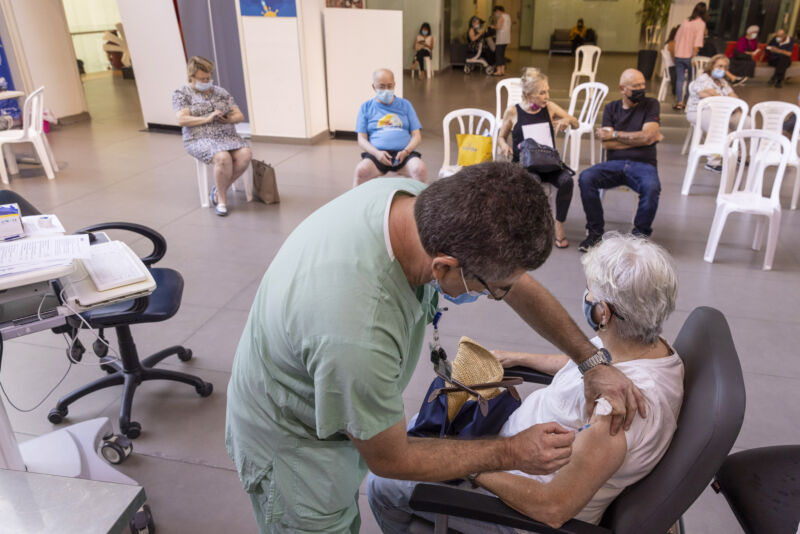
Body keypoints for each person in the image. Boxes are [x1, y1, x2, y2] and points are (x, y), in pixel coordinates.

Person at [226, 163, 649, 533]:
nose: (500, 295)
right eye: (495, 291)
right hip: (294, 445)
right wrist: (510, 452)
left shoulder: (410, 204)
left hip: (336, 391)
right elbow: (389, 459)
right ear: (444, 267)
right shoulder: (356, 335)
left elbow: (513, 279)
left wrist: (590, 361)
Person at [367, 232, 683, 532]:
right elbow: (589, 367)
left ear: (603, 312)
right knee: (420, 437)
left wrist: (468, 466)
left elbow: (553, 508)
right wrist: (519, 358)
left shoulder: (615, 415)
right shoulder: (648, 347)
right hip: (510, 451)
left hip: (517, 514)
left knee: (384, 481)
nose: (585, 296)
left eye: (590, 291)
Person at [578, 69, 663, 251]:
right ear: (623, 89)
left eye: (643, 85)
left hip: (644, 165)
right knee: (586, 178)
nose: (641, 88)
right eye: (636, 86)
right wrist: (642, 140)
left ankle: (639, 237)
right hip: (614, 164)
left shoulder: (651, 104)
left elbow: (648, 135)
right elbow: (607, 145)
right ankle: (595, 233)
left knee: (652, 187)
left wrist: (616, 134)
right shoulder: (611, 108)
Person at [497, 70, 578, 249]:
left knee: (567, 182)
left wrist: (566, 120)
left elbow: (575, 122)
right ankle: (533, 228)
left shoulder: (549, 107)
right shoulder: (513, 112)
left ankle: (558, 224)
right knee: (531, 182)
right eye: (542, 92)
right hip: (525, 165)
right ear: (528, 94)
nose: (547, 96)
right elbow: (500, 137)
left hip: (549, 162)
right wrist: (503, 145)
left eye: (547, 91)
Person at [172, 56, 251, 217]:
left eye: (208, 77)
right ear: (191, 77)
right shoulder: (182, 93)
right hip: (199, 138)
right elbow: (181, 119)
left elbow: (239, 115)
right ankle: (222, 200)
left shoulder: (220, 92)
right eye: (202, 78)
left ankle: (219, 189)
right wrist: (206, 119)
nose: (207, 80)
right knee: (223, 158)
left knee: (245, 154)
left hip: (226, 136)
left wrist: (228, 119)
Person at [353, 68, 427, 186]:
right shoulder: (366, 107)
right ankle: (357, 203)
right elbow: (361, 139)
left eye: (389, 86)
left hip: (404, 153)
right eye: (381, 87)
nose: (386, 90)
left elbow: (416, 135)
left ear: (394, 85)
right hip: (377, 154)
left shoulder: (405, 105)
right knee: (361, 171)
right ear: (374, 87)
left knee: (420, 169)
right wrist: (377, 153)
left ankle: (422, 204)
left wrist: (406, 151)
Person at [686, 54, 750, 173]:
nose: (722, 69)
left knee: (747, 122)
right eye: (719, 66)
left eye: (725, 67)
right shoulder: (703, 79)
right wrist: (729, 102)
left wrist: (731, 103)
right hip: (700, 112)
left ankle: (739, 154)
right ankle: (713, 162)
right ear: (711, 66)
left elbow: (735, 98)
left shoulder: (723, 82)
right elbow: (712, 97)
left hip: (725, 112)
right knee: (719, 123)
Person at [672, 2, 707, 111]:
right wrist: (694, 57)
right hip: (689, 56)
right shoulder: (701, 24)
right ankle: (687, 102)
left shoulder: (686, 21)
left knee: (680, 79)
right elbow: (697, 43)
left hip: (679, 54)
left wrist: (675, 53)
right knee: (691, 80)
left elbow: (676, 38)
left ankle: (679, 102)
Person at [491, 6, 511, 76]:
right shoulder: (508, 16)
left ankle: (498, 71)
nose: (496, 14)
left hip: (501, 38)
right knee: (502, 54)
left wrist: (493, 27)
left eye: (495, 12)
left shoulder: (501, 17)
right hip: (506, 38)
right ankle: (502, 70)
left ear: (498, 11)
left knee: (498, 54)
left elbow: (499, 27)